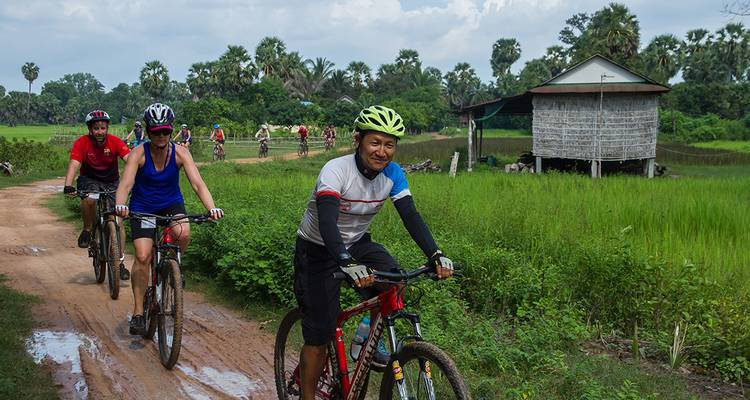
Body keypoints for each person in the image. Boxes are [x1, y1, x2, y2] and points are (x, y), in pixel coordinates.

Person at [293, 105, 454, 399]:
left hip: (357, 242)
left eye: (389, 144)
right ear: (359, 140)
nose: (382, 151)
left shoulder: (393, 174)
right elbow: (328, 221)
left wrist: (435, 254)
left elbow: (410, 215)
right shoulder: (336, 170)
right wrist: (344, 261)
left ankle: (364, 337)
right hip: (316, 248)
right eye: (375, 142)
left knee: (396, 279)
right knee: (319, 337)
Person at [114, 103, 224, 335]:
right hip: (142, 207)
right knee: (143, 256)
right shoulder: (138, 154)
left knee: (183, 232)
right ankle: (137, 311)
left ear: (170, 130)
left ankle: (173, 267)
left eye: (165, 131)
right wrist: (120, 205)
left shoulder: (181, 153)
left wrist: (212, 208)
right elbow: (126, 184)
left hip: (171, 204)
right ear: (148, 131)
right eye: (156, 132)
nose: (161, 136)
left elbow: (197, 184)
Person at [63, 110, 131, 280]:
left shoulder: (115, 142)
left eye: (103, 128)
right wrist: (68, 185)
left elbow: (130, 159)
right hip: (89, 179)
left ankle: (120, 262)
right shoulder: (82, 143)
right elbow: (74, 164)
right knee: (90, 199)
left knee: (118, 221)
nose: (100, 131)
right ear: (90, 129)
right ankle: (87, 229)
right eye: (96, 128)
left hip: (112, 182)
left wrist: (140, 174)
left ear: (107, 128)